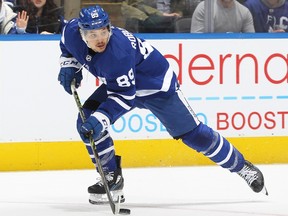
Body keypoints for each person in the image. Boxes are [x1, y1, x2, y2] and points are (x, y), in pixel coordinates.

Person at [58, 4, 268, 204]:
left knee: (195, 136)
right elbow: (66, 45)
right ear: (82, 33)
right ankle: (111, 177)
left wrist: (101, 119)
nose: (100, 38)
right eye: (93, 35)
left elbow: (123, 97)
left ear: (109, 28)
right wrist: (69, 64)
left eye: (104, 32)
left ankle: (242, 167)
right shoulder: (71, 32)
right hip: (121, 85)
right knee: (85, 122)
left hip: (156, 86)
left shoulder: (117, 53)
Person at [190, 0, 255, 33]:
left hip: (235, 55)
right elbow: (196, 41)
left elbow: (251, 41)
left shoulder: (245, 12)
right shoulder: (204, 8)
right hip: (207, 54)